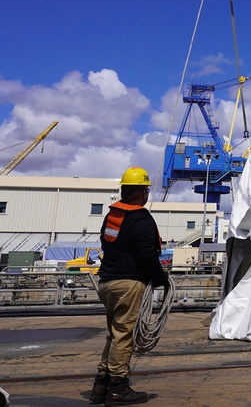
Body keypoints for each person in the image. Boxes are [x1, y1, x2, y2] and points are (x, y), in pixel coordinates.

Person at [91, 167, 168, 406]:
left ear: (124, 190)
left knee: (115, 335)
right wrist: (160, 278)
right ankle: (118, 388)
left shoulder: (113, 215)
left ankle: (101, 383)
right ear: (143, 192)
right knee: (124, 336)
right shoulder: (141, 218)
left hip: (107, 282)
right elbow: (146, 253)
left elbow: (108, 244)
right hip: (129, 284)